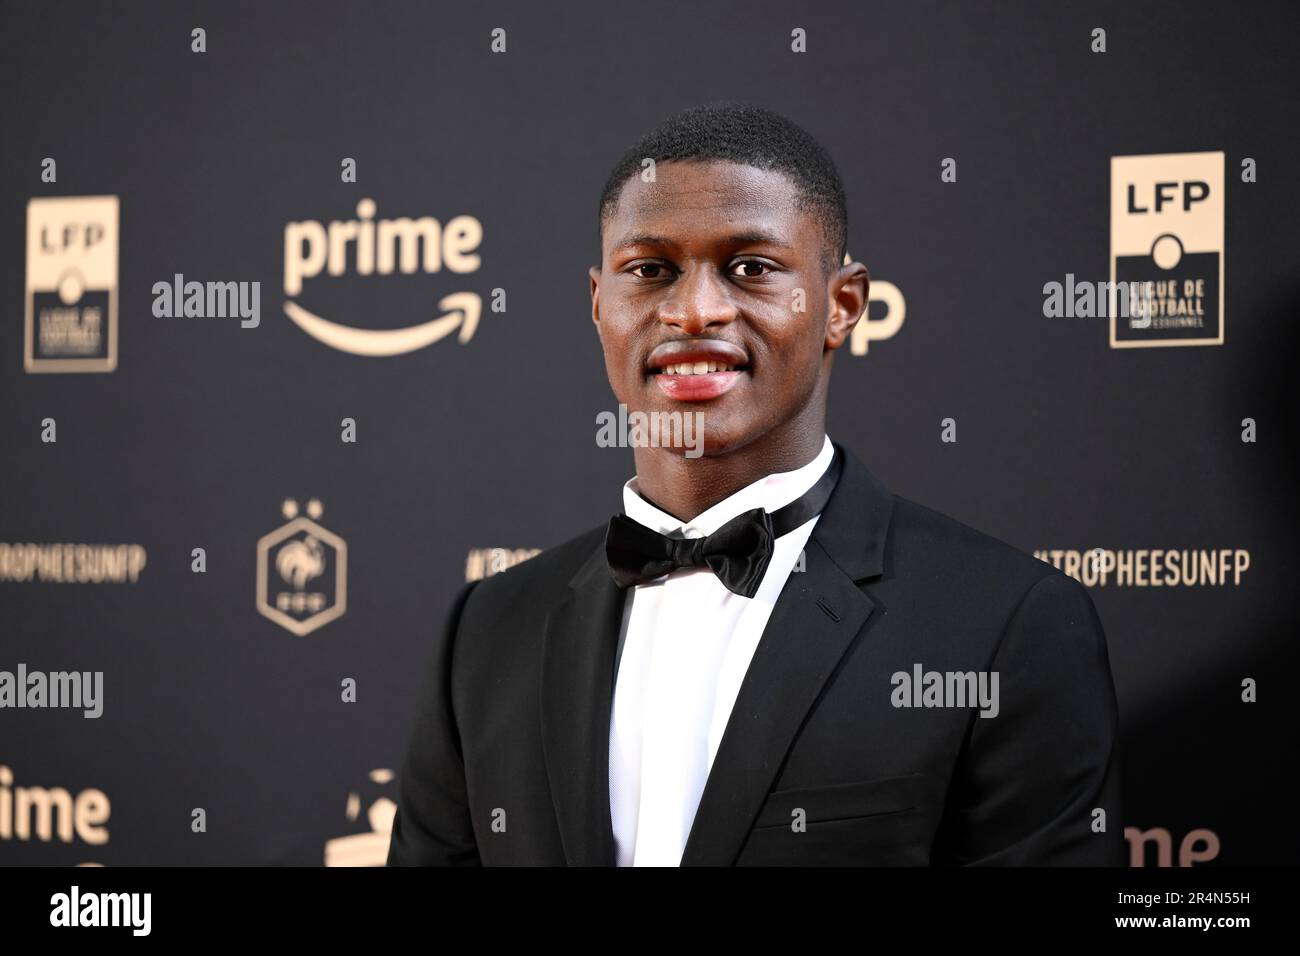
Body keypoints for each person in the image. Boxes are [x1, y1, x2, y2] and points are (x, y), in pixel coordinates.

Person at [386, 102, 1124, 866]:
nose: (695, 311)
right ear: (600, 304)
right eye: (650, 270)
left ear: (842, 306)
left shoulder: (1005, 626)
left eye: (751, 268)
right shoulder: (489, 630)